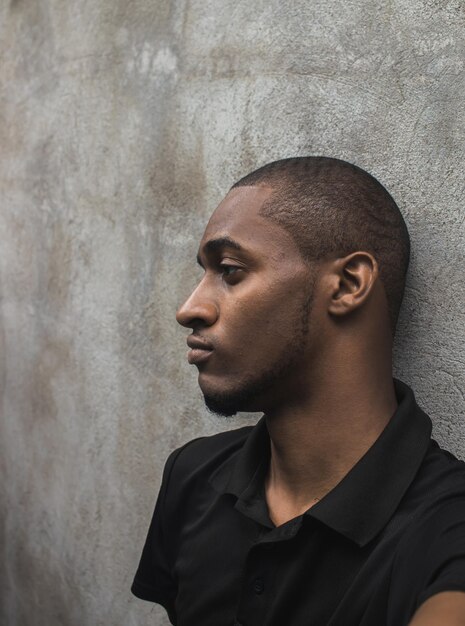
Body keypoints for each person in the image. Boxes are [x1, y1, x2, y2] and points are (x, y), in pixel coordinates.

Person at [131, 157, 465, 625]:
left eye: (229, 270)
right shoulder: (192, 474)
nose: (189, 309)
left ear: (348, 284)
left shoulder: (448, 527)